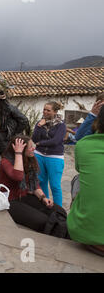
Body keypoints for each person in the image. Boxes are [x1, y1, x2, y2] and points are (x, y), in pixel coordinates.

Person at [0, 135, 69, 238]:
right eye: (30, 147)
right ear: (21, 150)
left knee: (60, 211)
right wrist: (18, 153)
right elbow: (18, 176)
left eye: (33, 145)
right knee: (43, 221)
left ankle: (63, 232)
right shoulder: (6, 161)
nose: (34, 148)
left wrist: (43, 197)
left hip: (25, 196)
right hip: (10, 201)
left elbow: (34, 183)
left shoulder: (30, 159)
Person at [67, 107, 104, 256]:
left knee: (78, 179)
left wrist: (92, 115)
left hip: (85, 234)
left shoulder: (84, 146)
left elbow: (79, 138)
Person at [31, 102, 67, 207]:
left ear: (55, 112)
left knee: (55, 185)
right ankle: (45, 205)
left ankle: (58, 209)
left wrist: (40, 143)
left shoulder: (61, 125)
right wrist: (38, 126)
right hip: (39, 155)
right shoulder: (41, 122)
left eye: (48, 110)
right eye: (44, 109)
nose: (45, 112)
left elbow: (55, 141)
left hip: (55, 157)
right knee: (41, 182)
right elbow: (34, 138)